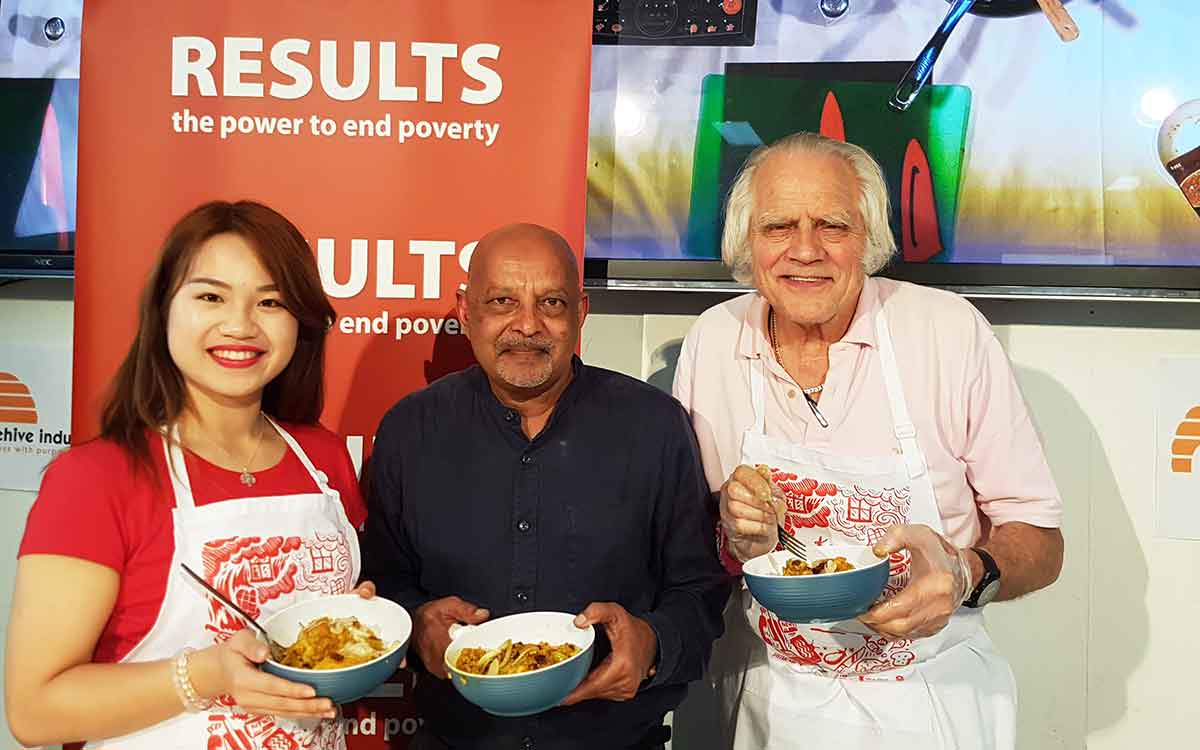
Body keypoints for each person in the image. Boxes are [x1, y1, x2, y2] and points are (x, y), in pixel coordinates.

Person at [671, 132, 1065, 749]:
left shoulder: (946, 332)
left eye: (832, 225)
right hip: (770, 701)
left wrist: (967, 572)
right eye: (778, 227)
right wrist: (731, 534)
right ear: (746, 240)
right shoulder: (715, 340)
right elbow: (688, 546)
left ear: (869, 239)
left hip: (930, 701)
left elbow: (1040, 540)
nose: (805, 251)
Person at [6, 201, 375, 750]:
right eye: (210, 296)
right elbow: (34, 711)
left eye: (270, 302)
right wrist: (207, 675)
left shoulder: (321, 456)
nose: (240, 325)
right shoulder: (95, 480)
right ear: (164, 310)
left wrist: (350, 622)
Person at [362, 223, 731, 750]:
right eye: (503, 301)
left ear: (580, 313)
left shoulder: (655, 427)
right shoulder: (409, 431)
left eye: (551, 303)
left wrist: (652, 645)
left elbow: (700, 590)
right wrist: (415, 624)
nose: (527, 325)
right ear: (467, 313)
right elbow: (382, 582)